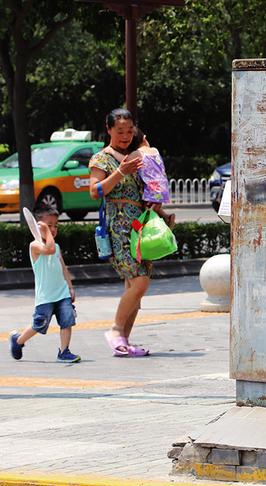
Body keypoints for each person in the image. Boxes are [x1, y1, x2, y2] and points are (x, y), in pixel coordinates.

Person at [89, 108, 156, 357]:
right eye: (120, 131)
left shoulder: (136, 156)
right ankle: (115, 330)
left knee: (135, 288)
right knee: (140, 281)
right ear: (109, 130)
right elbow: (95, 191)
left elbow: (150, 188)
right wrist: (120, 172)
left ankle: (124, 342)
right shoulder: (101, 159)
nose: (126, 136)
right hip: (118, 227)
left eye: (129, 131)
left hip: (140, 227)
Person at [9, 207, 81, 363]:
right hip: (45, 296)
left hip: (61, 293)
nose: (53, 229)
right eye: (49, 225)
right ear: (38, 226)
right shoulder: (34, 246)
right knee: (39, 325)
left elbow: (63, 268)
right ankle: (18, 341)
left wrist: (70, 287)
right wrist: (47, 233)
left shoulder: (57, 247)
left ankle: (64, 351)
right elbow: (49, 249)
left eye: (56, 226)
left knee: (67, 321)